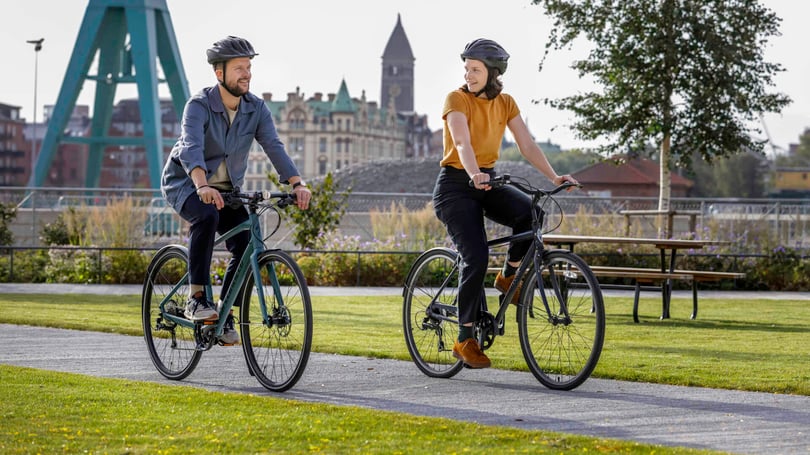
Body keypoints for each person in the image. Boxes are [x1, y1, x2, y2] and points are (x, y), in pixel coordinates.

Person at [433, 38, 578, 368]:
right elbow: (461, 142)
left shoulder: (506, 103)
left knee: (532, 213)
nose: (468, 75)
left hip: (487, 179)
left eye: (475, 69)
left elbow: (527, 145)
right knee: (476, 256)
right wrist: (473, 173)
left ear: (493, 72)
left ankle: (508, 277)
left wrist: (555, 177)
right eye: (467, 69)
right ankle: (464, 338)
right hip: (455, 186)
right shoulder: (456, 99)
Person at [161, 36, 311, 345]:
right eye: (239, 68)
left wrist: (297, 183)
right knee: (206, 216)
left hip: (227, 190)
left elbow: (273, 145)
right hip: (187, 183)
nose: (247, 74)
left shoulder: (256, 108)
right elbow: (191, 147)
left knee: (246, 242)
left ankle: (224, 312)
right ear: (220, 73)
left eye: (249, 67)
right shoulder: (199, 105)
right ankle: (196, 298)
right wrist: (202, 184)